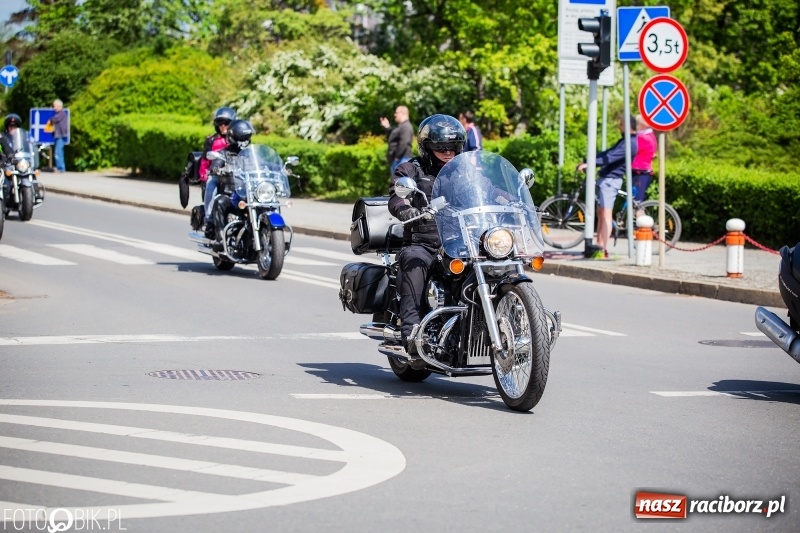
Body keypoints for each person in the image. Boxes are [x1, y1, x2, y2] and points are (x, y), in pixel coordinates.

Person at [388, 114, 465, 357]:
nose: (447, 152)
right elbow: (396, 196)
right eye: (441, 147)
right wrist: (406, 209)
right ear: (427, 147)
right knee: (414, 262)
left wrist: (507, 199)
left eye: (452, 147)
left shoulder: (464, 171)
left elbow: (488, 188)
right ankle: (411, 333)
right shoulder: (410, 169)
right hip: (423, 242)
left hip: (459, 243)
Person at [577, 114, 638, 259]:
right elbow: (608, 153)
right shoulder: (625, 141)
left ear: (629, 126)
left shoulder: (630, 143)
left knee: (606, 214)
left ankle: (603, 248)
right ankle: (599, 245)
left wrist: (591, 163)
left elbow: (611, 157)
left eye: (621, 124)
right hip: (607, 179)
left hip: (611, 180)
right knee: (601, 212)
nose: (619, 127)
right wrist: (589, 159)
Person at [211, 119, 254, 248]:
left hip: (251, 194)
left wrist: (280, 169)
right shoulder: (224, 153)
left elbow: (265, 164)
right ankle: (220, 238)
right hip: (232, 194)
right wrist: (216, 168)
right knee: (219, 202)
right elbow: (216, 163)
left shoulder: (252, 154)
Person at [200, 107, 237, 238]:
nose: (223, 126)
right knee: (211, 185)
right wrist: (205, 174)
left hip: (236, 175)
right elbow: (205, 160)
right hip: (217, 174)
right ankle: (209, 221)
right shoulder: (211, 140)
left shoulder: (238, 138)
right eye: (219, 123)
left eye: (226, 122)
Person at [632, 114, 657, 208]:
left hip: (640, 172)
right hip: (639, 171)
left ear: (642, 125)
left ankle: (642, 221)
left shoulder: (644, 138)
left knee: (637, 203)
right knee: (634, 200)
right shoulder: (648, 135)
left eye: (636, 124)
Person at [380, 105, 413, 175]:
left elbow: (405, 142)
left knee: (401, 183)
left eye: (396, 112)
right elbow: (393, 138)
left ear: (402, 113)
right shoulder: (401, 126)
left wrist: (397, 156)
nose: (394, 115)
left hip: (402, 159)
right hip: (399, 160)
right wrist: (387, 127)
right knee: (397, 183)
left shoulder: (406, 126)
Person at [48, 99, 69, 173]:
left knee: (58, 152)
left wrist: (50, 120)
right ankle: (61, 168)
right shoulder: (60, 114)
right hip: (58, 136)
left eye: (55, 106)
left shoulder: (61, 113)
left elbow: (54, 119)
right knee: (59, 152)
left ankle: (61, 168)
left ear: (59, 106)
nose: (54, 108)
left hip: (60, 136)